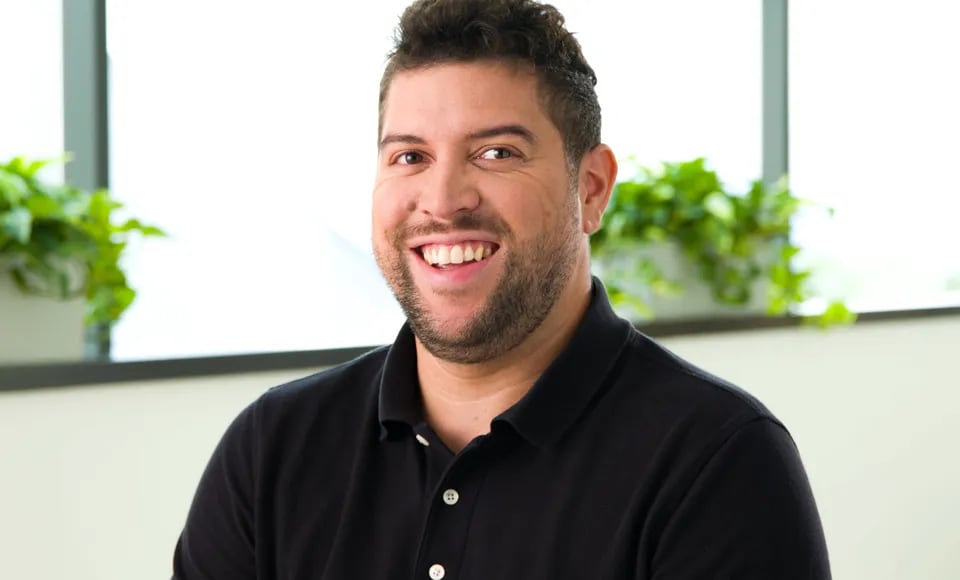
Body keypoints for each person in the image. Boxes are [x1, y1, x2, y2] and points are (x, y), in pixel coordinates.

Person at [172, 0, 831, 578]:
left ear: (591, 189)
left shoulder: (716, 461)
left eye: (497, 153)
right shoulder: (272, 449)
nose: (443, 200)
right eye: (410, 156)